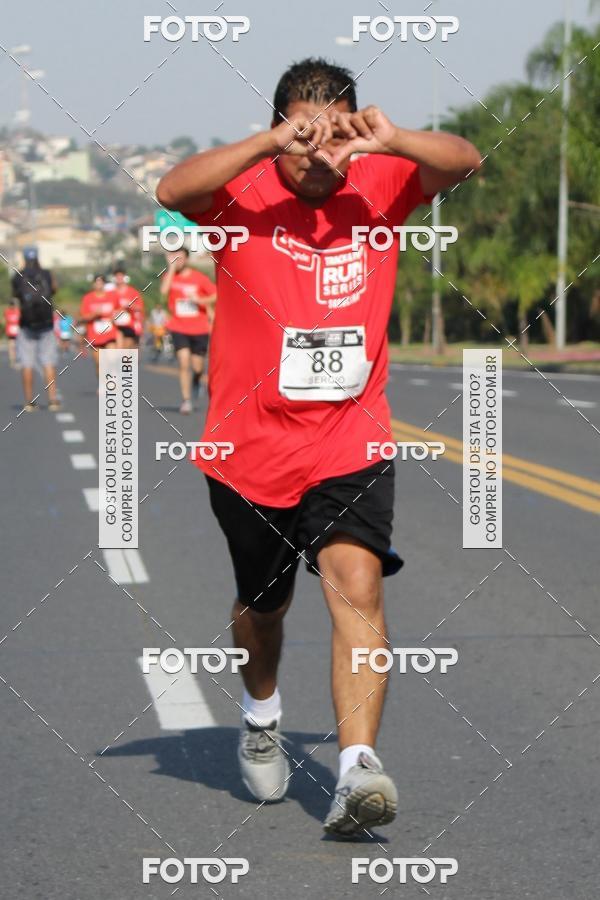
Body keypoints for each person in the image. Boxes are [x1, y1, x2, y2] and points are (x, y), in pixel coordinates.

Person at [157, 57, 481, 835]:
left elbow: (465, 160)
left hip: (349, 438)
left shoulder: (382, 181)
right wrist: (267, 143)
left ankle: (357, 769)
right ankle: (261, 712)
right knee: (263, 607)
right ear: (280, 129)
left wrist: (390, 138)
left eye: (332, 135)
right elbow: (171, 191)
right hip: (248, 448)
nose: (318, 154)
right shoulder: (239, 191)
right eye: (302, 135)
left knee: (358, 585)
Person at [160, 247, 216, 414]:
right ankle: (186, 400)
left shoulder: (199, 278)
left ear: (187, 259)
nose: (178, 261)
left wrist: (200, 300)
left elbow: (216, 294)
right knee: (183, 362)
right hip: (178, 327)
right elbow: (163, 292)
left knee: (197, 367)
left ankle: (197, 380)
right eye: (174, 258)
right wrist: (171, 268)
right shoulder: (170, 276)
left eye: (180, 258)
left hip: (199, 328)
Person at [11, 246, 60, 411]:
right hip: (46, 324)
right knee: (48, 362)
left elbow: (16, 295)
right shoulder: (46, 274)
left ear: (24, 258)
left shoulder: (18, 276)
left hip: (26, 324)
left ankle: (29, 402)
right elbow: (54, 290)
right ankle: (52, 400)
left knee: (27, 363)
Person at [78, 274, 119, 377]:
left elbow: (120, 310)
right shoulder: (87, 298)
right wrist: (94, 315)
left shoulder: (112, 296)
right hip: (94, 336)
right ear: (93, 284)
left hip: (110, 334)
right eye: (96, 282)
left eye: (101, 282)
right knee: (99, 363)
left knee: (112, 359)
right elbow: (82, 317)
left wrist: (116, 316)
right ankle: (103, 382)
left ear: (104, 283)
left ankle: (112, 382)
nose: (99, 284)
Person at [112, 263, 145, 350]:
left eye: (121, 276)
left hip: (130, 325)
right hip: (116, 325)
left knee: (127, 350)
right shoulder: (111, 293)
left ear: (124, 277)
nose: (119, 278)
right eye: (117, 276)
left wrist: (131, 306)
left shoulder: (133, 292)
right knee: (119, 350)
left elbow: (140, 308)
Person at [4, 299, 20, 367]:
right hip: (11, 331)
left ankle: (15, 359)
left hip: (16, 331)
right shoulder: (7, 311)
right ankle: (12, 360)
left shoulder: (17, 311)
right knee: (12, 346)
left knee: (16, 346)